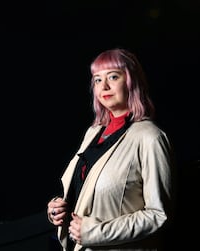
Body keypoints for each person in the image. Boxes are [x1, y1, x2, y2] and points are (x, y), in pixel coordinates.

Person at [46, 48, 176, 251]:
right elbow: (85, 190)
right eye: (97, 80)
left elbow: (159, 215)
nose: (103, 86)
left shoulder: (151, 137)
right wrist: (60, 208)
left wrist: (95, 232)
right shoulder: (94, 132)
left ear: (131, 81)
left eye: (113, 77)